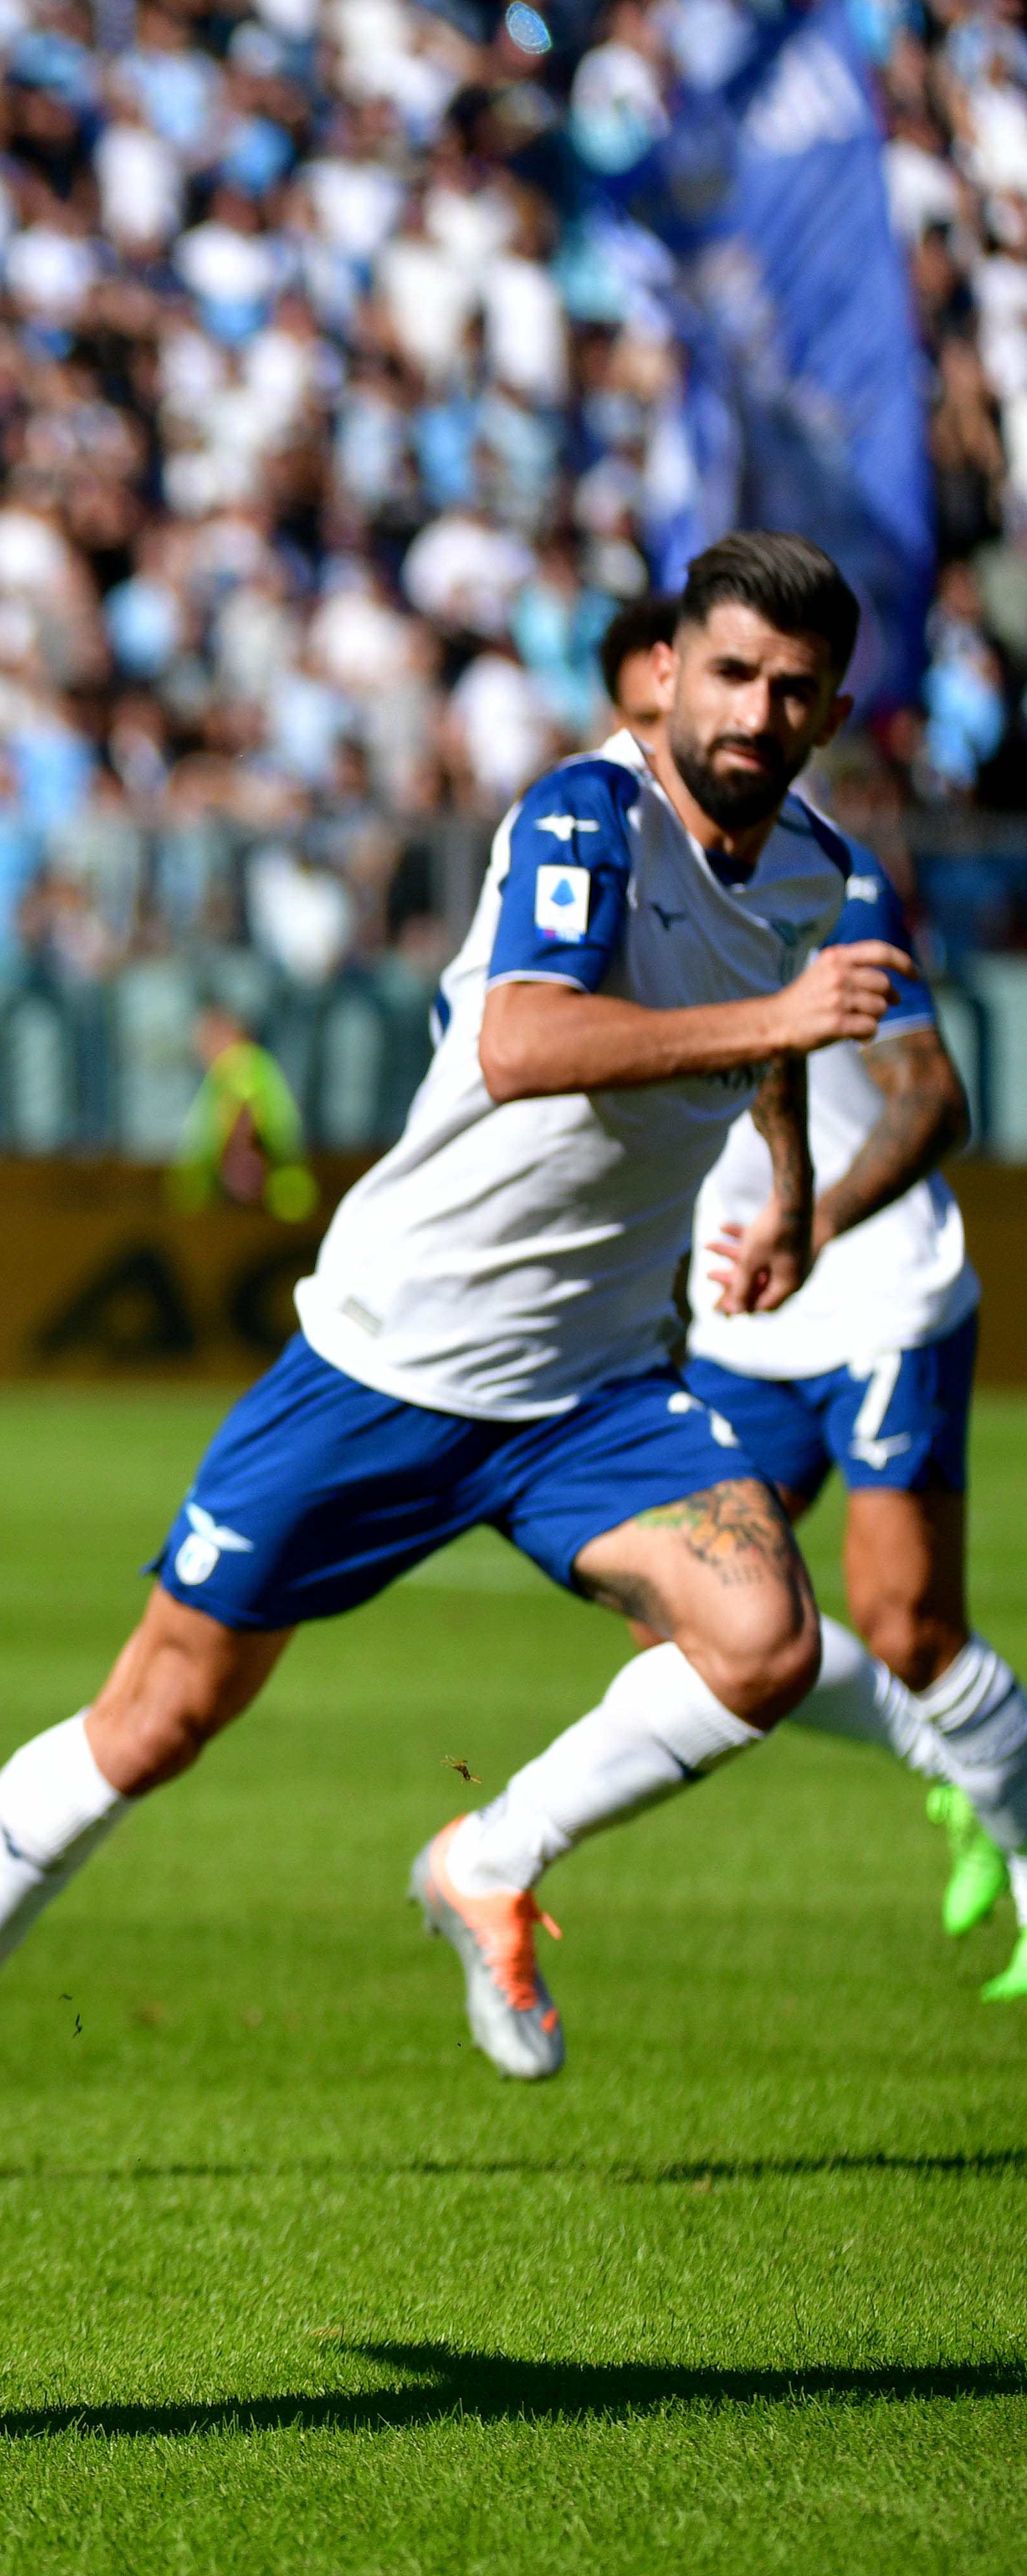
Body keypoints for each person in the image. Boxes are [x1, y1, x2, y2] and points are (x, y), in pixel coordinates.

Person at [0, 533, 941, 2189]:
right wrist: (778, 1031)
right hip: (391, 1357)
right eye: (728, 675)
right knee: (159, 1717)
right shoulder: (586, 817)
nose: (756, 712)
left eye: (793, 689)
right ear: (667, 675)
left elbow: (780, 1017)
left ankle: (490, 1859)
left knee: (764, 1642)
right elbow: (524, 1039)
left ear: (833, 705)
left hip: (592, 1390)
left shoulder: (813, 872)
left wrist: (781, 1190)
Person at [605, 618, 1027, 2000]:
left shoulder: (826, 880)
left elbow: (934, 1097)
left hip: (879, 1286)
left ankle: (1000, 1797)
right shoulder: (606, 867)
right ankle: (958, 1752)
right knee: (687, 1608)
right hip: (743, 1309)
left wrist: (820, 1215)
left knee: (906, 1619)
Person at [165, 1002, 314, 1221]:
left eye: (215, 1039)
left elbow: (273, 1129)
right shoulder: (219, 1079)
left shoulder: (246, 1067)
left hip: (274, 1193)